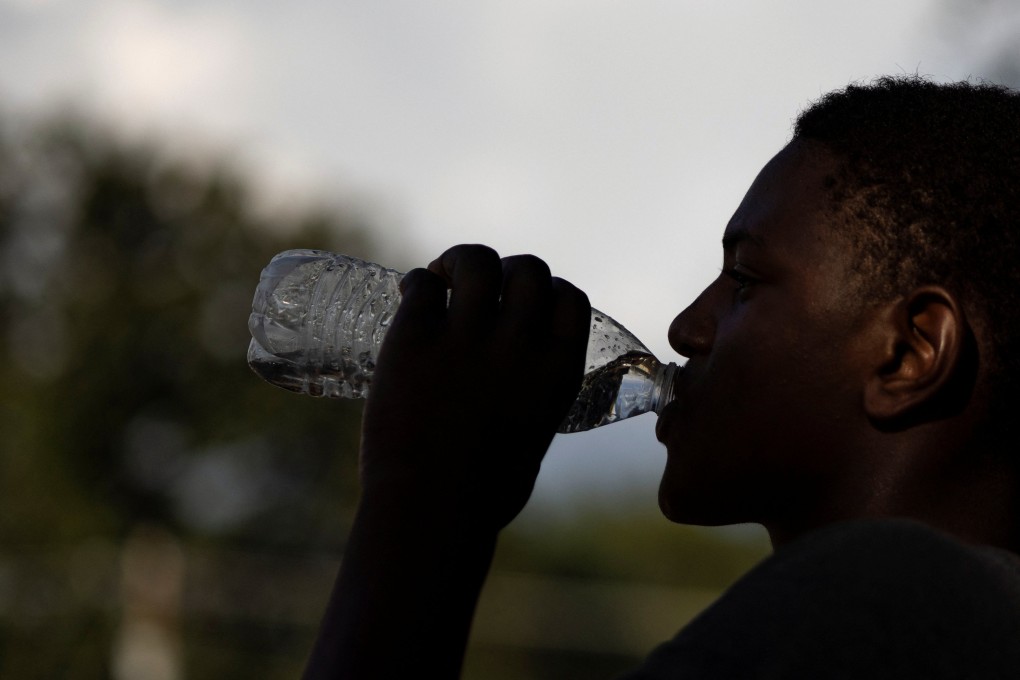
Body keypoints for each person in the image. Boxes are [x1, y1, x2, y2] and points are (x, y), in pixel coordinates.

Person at [302, 75, 1020, 678]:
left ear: (909, 353)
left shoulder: (878, 608)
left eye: (743, 281)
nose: (685, 328)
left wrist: (422, 499)